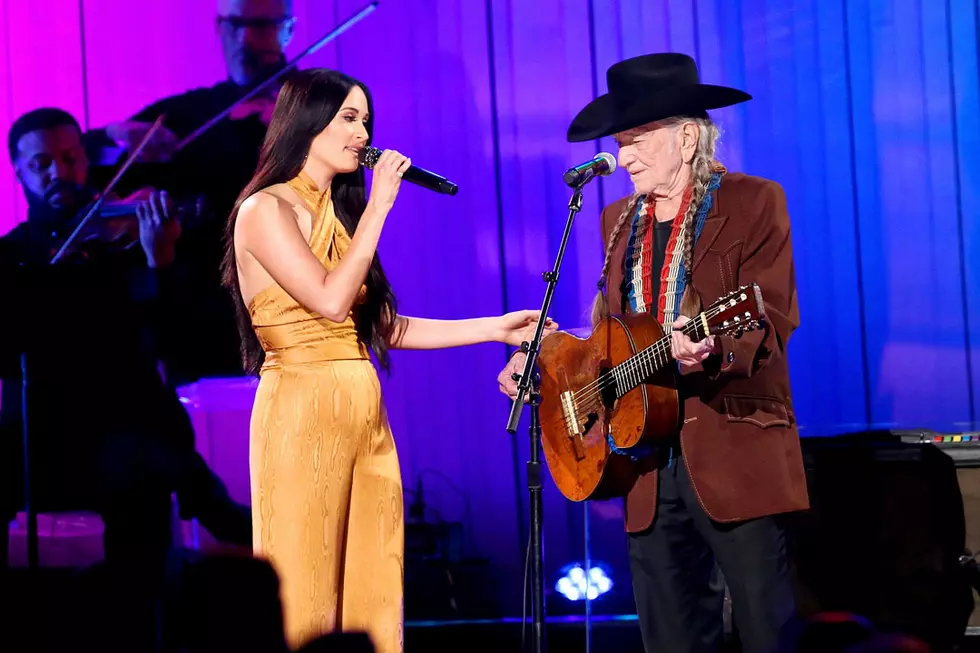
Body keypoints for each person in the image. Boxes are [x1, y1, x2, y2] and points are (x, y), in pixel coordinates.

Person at [222, 68, 555, 653]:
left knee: (371, 586)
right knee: (305, 588)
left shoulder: (340, 214)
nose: (362, 132)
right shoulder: (264, 210)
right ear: (307, 121)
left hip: (362, 416)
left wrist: (494, 328)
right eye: (349, 118)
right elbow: (328, 302)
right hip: (301, 414)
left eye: (366, 120)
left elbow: (378, 327)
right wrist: (379, 207)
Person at [498, 53, 810, 653]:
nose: (626, 157)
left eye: (638, 140)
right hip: (644, 460)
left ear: (687, 136)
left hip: (732, 446)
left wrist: (711, 345)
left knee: (766, 633)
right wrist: (547, 366)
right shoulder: (617, 220)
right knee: (669, 638)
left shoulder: (752, 201)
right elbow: (610, 336)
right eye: (622, 142)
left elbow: (770, 314)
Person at [0, 107, 251, 580]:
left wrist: (161, 262)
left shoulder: (124, 243)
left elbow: (179, 344)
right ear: (18, 171)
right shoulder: (11, 258)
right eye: (42, 164)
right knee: (143, 447)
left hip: (123, 430)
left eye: (71, 157)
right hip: (43, 437)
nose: (60, 172)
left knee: (136, 453)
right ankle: (207, 499)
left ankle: (149, 601)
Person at [82, 0, 299, 384]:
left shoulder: (313, 110)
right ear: (220, 27)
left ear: (288, 29)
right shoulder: (194, 111)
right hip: (191, 312)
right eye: (236, 24)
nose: (247, 37)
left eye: (264, 25)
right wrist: (116, 135)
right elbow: (83, 161)